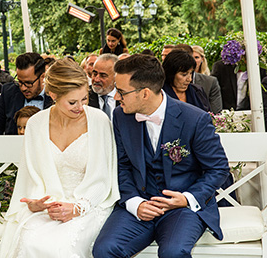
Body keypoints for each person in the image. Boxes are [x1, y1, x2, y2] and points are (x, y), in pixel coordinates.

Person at [92, 54, 230, 258]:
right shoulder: (121, 116)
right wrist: (134, 203)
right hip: (139, 203)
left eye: (121, 92)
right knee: (104, 250)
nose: (117, 97)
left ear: (145, 93)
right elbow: (121, 165)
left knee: (173, 252)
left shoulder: (194, 118)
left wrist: (186, 198)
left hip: (181, 209)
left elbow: (218, 168)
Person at [0, 58, 119, 258]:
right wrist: (35, 203)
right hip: (48, 208)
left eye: (84, 99)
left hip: (88, 205)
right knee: (29, 241)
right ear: (53, 94)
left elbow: (104, 178)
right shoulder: (36, 124)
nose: (80, 107)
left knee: (63, 247)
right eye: (72, 102)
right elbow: (31, 177)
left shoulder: (99, 121)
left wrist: (78, 207)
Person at [0, 52, 53, 135]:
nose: (23, 88)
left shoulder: (55, 95)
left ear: (42, 77)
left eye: (28, 83)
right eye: (20, 82)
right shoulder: (9, 92)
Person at [88, 53, 119, 119]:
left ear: (115, 77)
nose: (96, 79)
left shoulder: (125, 96)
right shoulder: (84, 97)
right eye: (95, 74)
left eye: (103, 76)